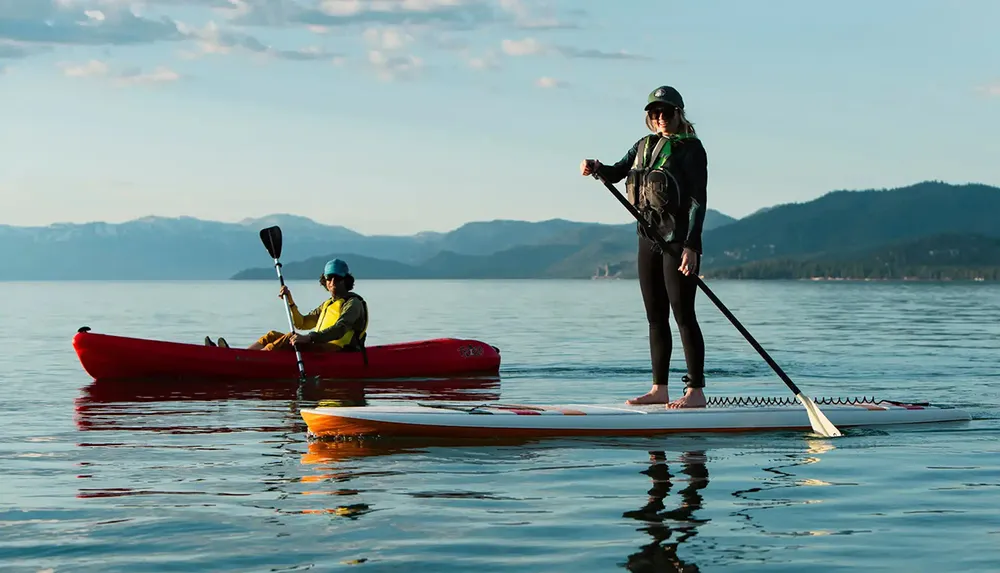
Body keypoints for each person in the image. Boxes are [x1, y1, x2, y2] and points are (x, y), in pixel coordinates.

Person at [580, 85, 708, 409]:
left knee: (684, 315)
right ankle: (659, 389)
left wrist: (692, 247)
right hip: (647, 239)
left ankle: (695, 392)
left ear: (679, 114)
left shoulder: (691, 149)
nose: (660, 117)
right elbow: (617, 171)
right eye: (655, 113)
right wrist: (597, 167)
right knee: (655, 317)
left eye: (666, 112)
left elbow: (696, 201)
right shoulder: (642, 145)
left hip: (677, 241)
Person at [206, 258, 369, 353]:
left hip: (336, 351)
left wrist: (308, 338)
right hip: (318, 345)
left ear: (346, 280)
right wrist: (290, 301)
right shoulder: (328, 304)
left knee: (287, 339)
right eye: (329, 277)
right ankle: (239, 355)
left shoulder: (353, 304)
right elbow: (302, 323)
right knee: (271, 335)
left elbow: (339, 329)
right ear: (324, 280)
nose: (332, 282)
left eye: (337, 278)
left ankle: (249, 361)